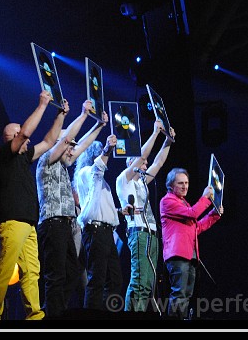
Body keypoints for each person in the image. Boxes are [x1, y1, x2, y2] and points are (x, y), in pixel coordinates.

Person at [0, 90, 68, 320]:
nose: (27, 139)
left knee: (32, 271)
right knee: (5, 267)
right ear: (12, 136)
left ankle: (35, 316)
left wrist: (60, 115)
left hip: (29, 222)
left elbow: (48, 142)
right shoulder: (3, 155)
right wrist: (42, 105)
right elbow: (26, 133)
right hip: (12, 220)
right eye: (20, 133)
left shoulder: (24, 157)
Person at [36, 100, 106, 318]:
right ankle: (52, 316)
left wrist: (99, 125)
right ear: (58, 144)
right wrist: (84, 114)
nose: (72, 150)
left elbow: (82, 145)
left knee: (73, 272)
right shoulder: (46, 159)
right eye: (68, 145)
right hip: (52, 223)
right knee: (55, 275)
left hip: (66, 225)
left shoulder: (64, 163)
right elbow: (68, 139)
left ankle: (56, 311)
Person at [116, 120, 174, 312]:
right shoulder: (124, 180)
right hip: (138, 233)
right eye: (141, 162)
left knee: (148, 284)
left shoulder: (142, 182)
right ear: (130, 163)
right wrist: (156, 133)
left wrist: (168, 141)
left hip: (152, 234)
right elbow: (144, 155)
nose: (145, 163)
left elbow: (158, 162)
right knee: (139, 281)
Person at [160, 167, 223, 319]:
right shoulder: (167, 201)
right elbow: (193, 214)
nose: (185, 186)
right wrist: (206, 198)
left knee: (186, 295)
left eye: (186, 183)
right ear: (171, 185)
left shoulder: (185, 204)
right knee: (179, 293)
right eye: (180, 183)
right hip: (177, 254)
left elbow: (196, 228)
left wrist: (214, 214)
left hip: (191, 255)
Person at [75, 132, 124, 311]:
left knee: (115, 279)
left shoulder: (100, 182)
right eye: (99, 152)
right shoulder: (85, 173)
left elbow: (99, 206)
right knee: (96, 278)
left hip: (105, 232)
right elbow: (97, 170)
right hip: (95, 231)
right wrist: (107, 150)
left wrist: (119, 211)